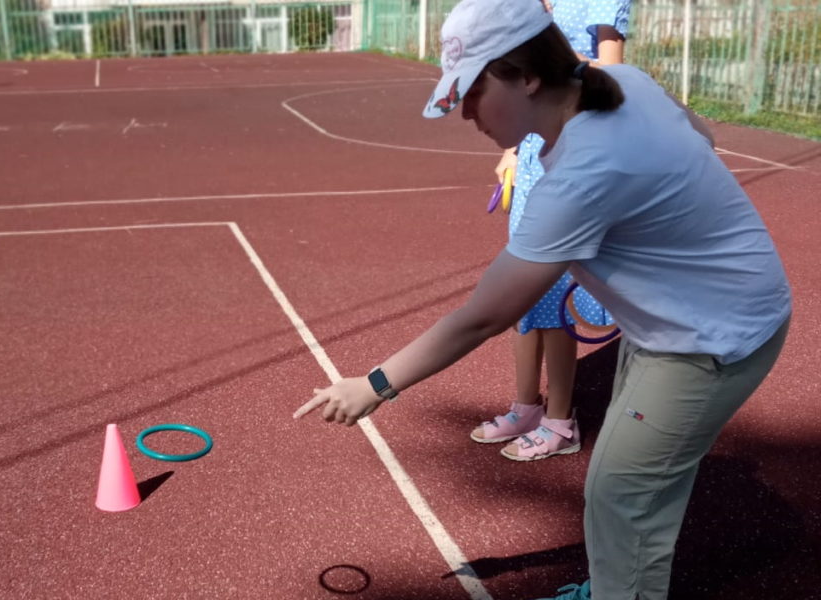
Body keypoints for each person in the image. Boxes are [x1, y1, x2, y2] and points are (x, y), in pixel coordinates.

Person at [293, 0, 792, 598]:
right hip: (697, 314)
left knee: (621, 491)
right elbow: (701, 135)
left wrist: (372, 385)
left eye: (472, 91)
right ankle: (618, 581)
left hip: (713, 335)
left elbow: (486, 315)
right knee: (638, 481)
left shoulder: (584, 172)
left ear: (526, 76)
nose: (464, 112)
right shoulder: (623, 83)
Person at [471, 0, 631, 462]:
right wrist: (513, 152)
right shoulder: (542, 5)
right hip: (535, 148)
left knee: (555, 283)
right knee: (525, 290)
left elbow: (614, 73)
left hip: (572, 150)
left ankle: (561, 420)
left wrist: (555, 67)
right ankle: (526, 407)